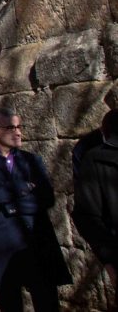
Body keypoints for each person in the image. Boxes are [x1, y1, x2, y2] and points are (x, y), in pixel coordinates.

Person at [0, 106, 71, 312]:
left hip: (37, 242)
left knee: (47, 301)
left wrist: (10, 205)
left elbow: (46, 198)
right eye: (10, 127)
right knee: (10, 302)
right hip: (5, 246)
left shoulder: (31, 161)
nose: (18, 132)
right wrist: (23, 188)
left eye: (19, 126)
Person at [72, 108, 118, 296]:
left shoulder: (94, 159)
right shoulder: (95, 160)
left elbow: (87, 217)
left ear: (104, 132)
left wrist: (109, 262)